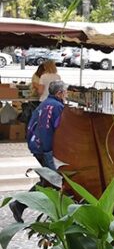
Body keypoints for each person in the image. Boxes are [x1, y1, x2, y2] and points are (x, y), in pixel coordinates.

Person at [9, 80, 67, 223]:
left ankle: (20, 205)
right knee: (53, 180)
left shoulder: (45, 104)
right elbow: (52, 129)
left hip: (37, 145)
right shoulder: (57, 107)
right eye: (65, 92)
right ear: (59, 93)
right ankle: (20, 204)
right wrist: (49, 152)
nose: (66, 94)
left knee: (49, 180)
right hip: (45, 148)